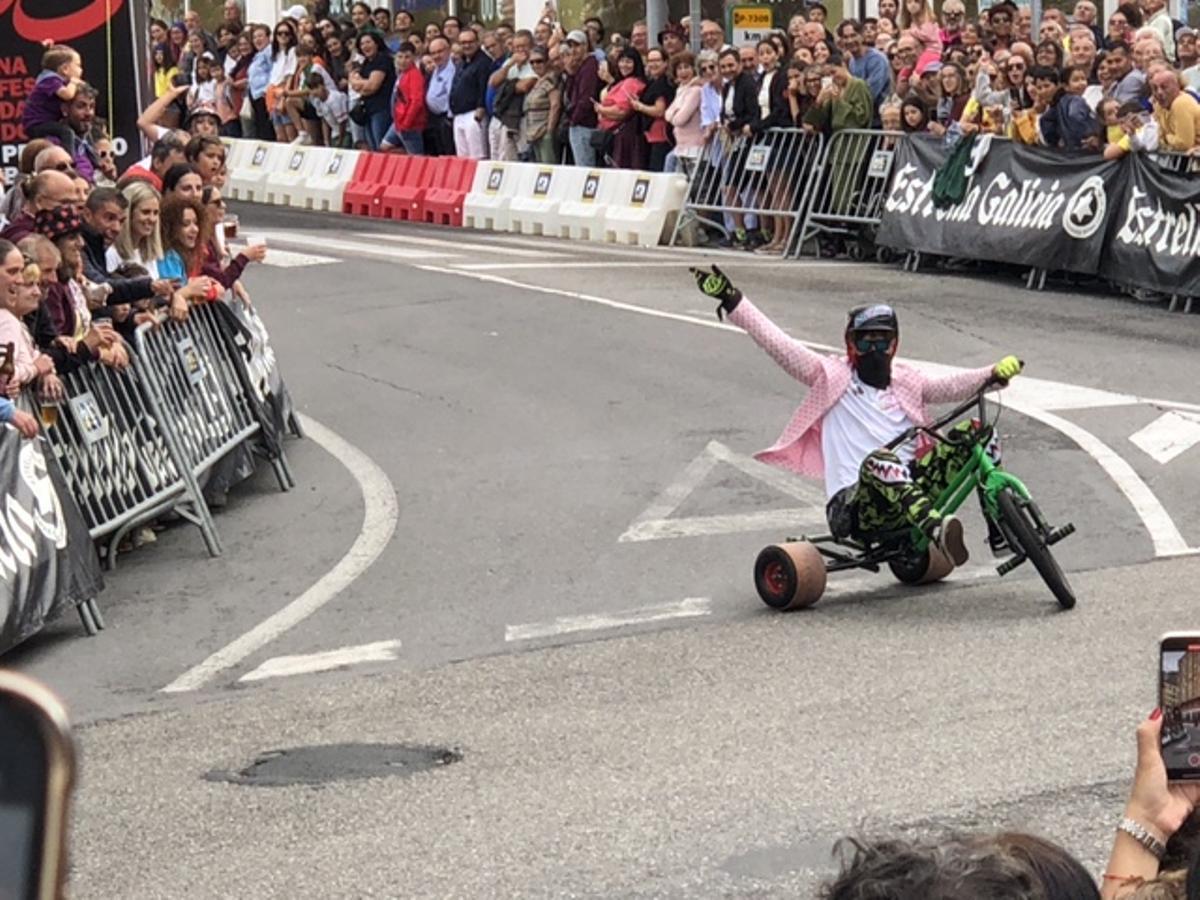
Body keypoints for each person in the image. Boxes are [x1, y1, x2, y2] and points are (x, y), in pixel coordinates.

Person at [689, 266, 1022, 561]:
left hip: (911, 493)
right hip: (855, 508)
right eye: (865, 343)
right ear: (851, 346)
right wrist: (733, 300)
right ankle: (936, 531)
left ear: (895, 345)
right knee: (881, 459)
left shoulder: (907, 382)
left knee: (981, 431)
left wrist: (993, 372)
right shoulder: (832, 377)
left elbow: (950, 386)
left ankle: (1001, 528)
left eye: (882, 342)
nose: (874, 351)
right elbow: (779, 345)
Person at [22, 45, 85, 157]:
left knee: (74, 137)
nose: (81, 70)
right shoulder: (50, 79)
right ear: (65, 69)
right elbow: (67, 95)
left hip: (48, 121)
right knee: (66, 132)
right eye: (78, 66)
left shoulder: (57, 81)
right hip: (36, 123)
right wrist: (74, 82)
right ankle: (68, 159)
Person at [595, 48, 647, 168]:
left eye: (629, 61)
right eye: (622, 61)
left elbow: (622, 111)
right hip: (618, 135)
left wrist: (601, 110)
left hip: (626, 137)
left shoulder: (632, 83)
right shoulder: (622, 82)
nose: (624, 65)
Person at [449, 28, 491, 159]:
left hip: (474, 114)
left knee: (477, 156)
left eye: (470, 42)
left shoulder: (483, 62)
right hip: (459, 114)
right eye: (463, 43)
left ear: (478, 42)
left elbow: (483, 86)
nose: (467, 45)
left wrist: (481, 107)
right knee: (463, 158)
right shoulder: (462, 62)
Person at [107, 181, 163, 278]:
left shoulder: (148, 253)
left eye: (155, 213)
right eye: (146, 212)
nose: (152, 219)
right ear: (128, 213)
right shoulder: (112, 254)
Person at [631, 48, 674, 171]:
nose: (653, 64)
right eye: (650, 61)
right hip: (651, 137)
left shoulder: (663, 83)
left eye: (657, 60)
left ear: (665, 62)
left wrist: (640, 106)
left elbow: (659, 110)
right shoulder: (653, 82)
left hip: (661, 137)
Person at [379, 42, 425, 154]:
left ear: (414, 58)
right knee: (384, 147)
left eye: (407, 57)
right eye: (400, 57)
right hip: (398, 121)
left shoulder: (414, 75)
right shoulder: (402, 73)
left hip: (409, 124)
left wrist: (406, 123)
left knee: (416, 157)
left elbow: (416, 102)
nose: (403, 61)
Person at [565, 30, 603, 166]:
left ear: (585, 46)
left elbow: (587, 97)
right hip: (580, 123)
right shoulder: (580, 67)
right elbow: (570, 95)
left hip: (584, 125)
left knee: (585, 168)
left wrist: (575, 119)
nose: (573, 50)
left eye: (577, 45)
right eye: (570, 46)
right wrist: (570, 73)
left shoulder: (590, 66)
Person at [664, 51, 705, 174]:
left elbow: (680, 119)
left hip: (694, 147)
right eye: (679, 68)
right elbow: (667, 114)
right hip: (680, 146)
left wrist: (674, 113)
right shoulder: (680, 90)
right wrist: (673, 114)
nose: (683, 72)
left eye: (686, 67)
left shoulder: (696, 91)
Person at [520, 47, 561, 163]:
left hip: (544, 133)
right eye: (532, 62)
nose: (535, 65)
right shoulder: (538, 81)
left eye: (539, 61)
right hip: (534, 134)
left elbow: (555, 105)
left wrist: (549, 131)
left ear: (547, 61)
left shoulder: (550, 79)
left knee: (549, 168)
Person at [1151, 70, 1200, 151]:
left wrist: (1166, 138)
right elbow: (1159, 138)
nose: (1159, 92)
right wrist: (1167, 139)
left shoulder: (1181, 103)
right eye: (1155, 88)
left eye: (1164, 87)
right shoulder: (1158, 106)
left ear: (1177, 86)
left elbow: (1184, 144)